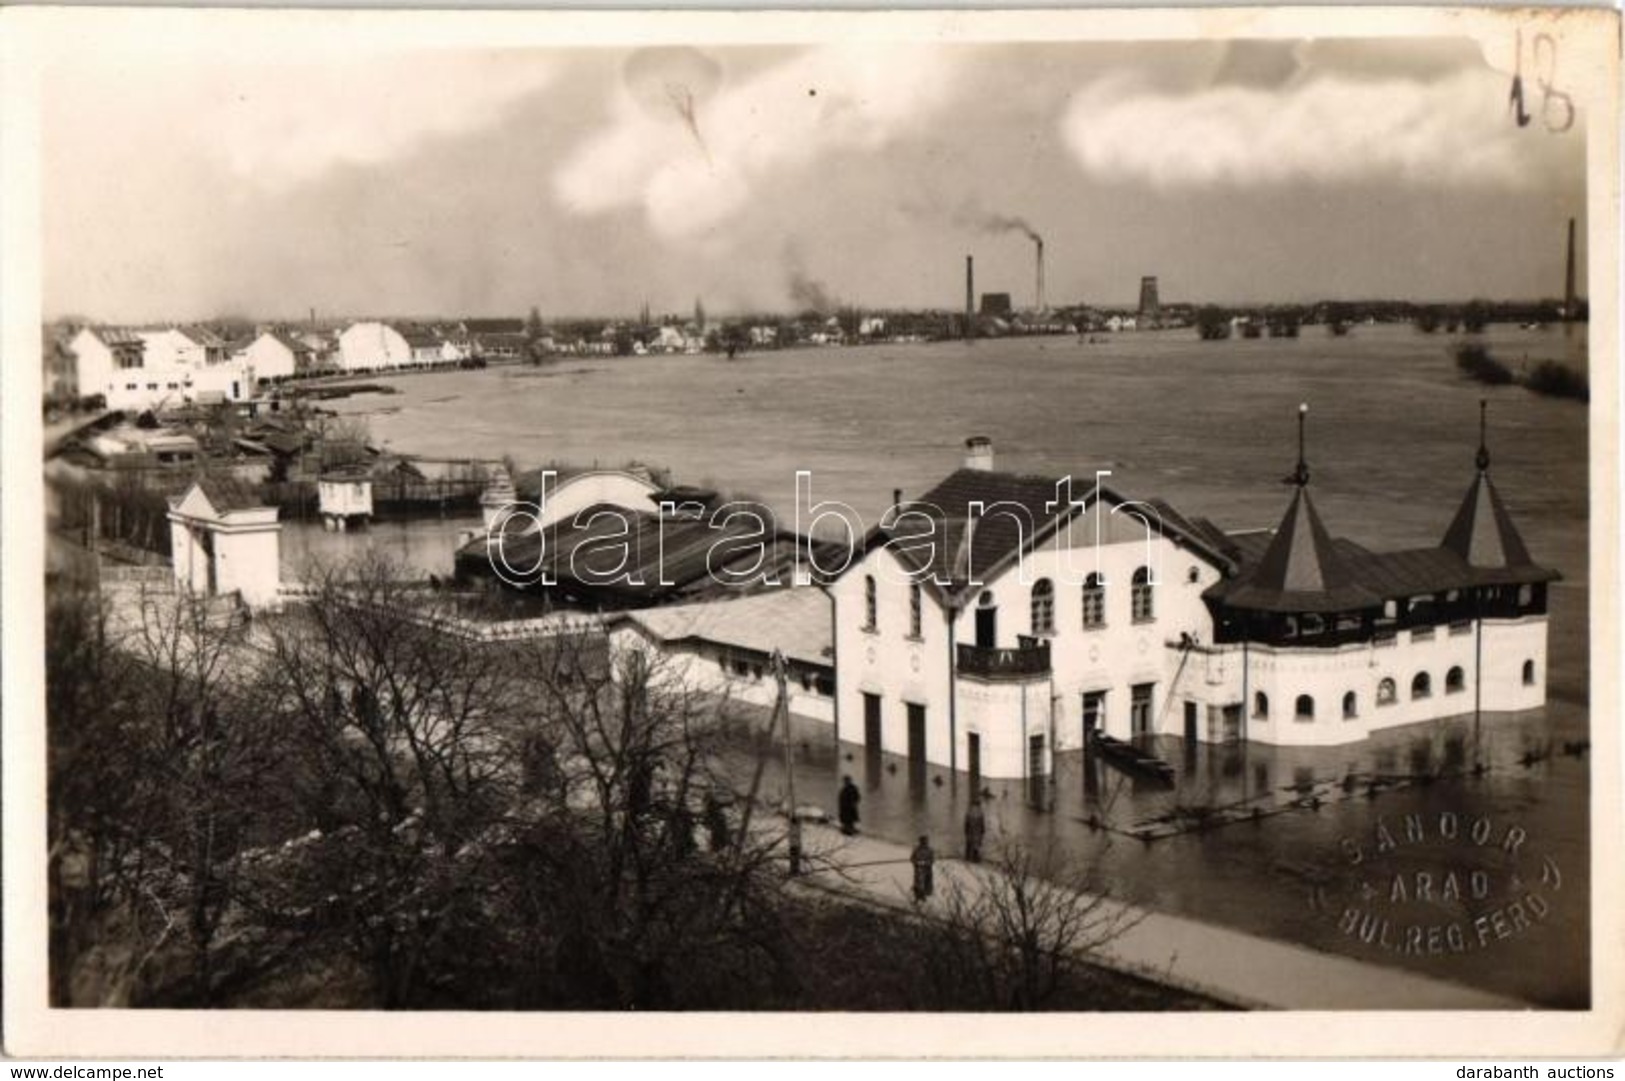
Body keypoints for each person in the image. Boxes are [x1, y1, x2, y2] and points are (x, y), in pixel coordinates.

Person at [911, 836, 935, 902]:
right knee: (918, 884)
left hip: (927, 870)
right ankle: (917, 898)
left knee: (925, 884)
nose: (924, 843)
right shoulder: (916, 849)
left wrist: (925, 863)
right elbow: (912, 858)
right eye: (923, 841)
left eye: (926, 841)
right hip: (918, 870)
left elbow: (932, 860)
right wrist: (917, 862)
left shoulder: (930, 850)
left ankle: (923, 897)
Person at [963, 799, 986, 864]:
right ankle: (975, 858)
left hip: (970, 830)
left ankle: (967, 857)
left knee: (969, 843)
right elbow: (982, 824)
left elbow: (966, 823)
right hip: (977, 831)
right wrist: (983, 831)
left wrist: (966, 830)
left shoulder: (969, 812)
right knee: (976, 844)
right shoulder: (980, 813)